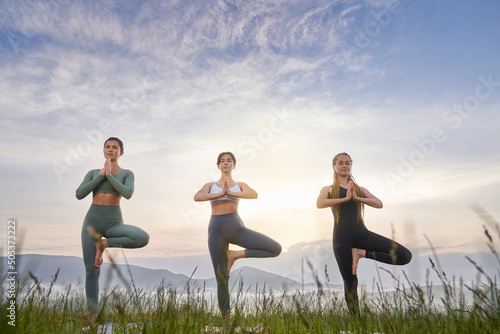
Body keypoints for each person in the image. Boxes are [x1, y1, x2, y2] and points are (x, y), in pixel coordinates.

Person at [316, 152, 412, 316]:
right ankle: (357, 324)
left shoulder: (360, 190)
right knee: (351, 282)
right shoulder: (329, 189)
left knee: (405, 256)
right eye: (341, 163)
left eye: (348, 163)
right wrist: (344, 199)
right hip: (341, 239)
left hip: (362, 235)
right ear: (334, 166)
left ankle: (361, 253)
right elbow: (320, 203)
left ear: (351, 166)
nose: (344, 165)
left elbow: (378, 203)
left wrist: (356, 198)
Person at [194, 152, 282, 327]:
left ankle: (235, 255)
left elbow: (253, 194)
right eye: (222, 161)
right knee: (221, 279)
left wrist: (231, 191)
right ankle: (227, 324)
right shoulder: (210, 185)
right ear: (218, 165)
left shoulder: (240, 185)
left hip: (236, 227)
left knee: (275, 248)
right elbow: (197, 197)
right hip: (216, 230)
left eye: (229, 161)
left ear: (234, 165)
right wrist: (220, 194)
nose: (225, 163)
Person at [76, 137, 149, 324]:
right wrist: (101, 175)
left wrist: (110, 175)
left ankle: (105, 243)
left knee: (142, 237)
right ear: (103, 151)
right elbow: (79, 194)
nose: (110, 150)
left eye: (115, 147)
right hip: (91, 223)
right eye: (107, 147)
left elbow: (128, 193)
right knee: (92, 270)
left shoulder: (127, 173)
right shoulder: (93, 173)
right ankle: (93, 319)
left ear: (121, 152)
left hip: (113, 223)